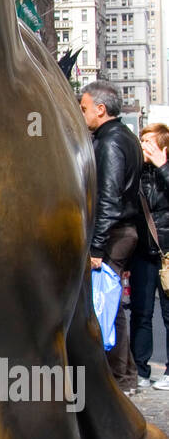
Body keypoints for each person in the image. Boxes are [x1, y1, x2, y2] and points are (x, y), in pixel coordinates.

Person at [79, 82, 143, 395]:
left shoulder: (111, 142)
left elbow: (108, 198)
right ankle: (124, 375)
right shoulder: (123, 137)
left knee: (107, 305)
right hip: (120, 230)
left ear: (100, 109)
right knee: (111, 304)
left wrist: (97, 247)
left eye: (84, 108)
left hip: (114, 233)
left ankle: (119, 378)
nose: (82, 114)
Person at [130, 123, 169, 390]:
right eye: (142, 141)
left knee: (168, 315)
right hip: (142, 252)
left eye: (149, 142)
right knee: (141, 313)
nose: (143, 146)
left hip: (167, 254)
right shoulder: (137, 173)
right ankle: (141, 369)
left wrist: (163, 167)